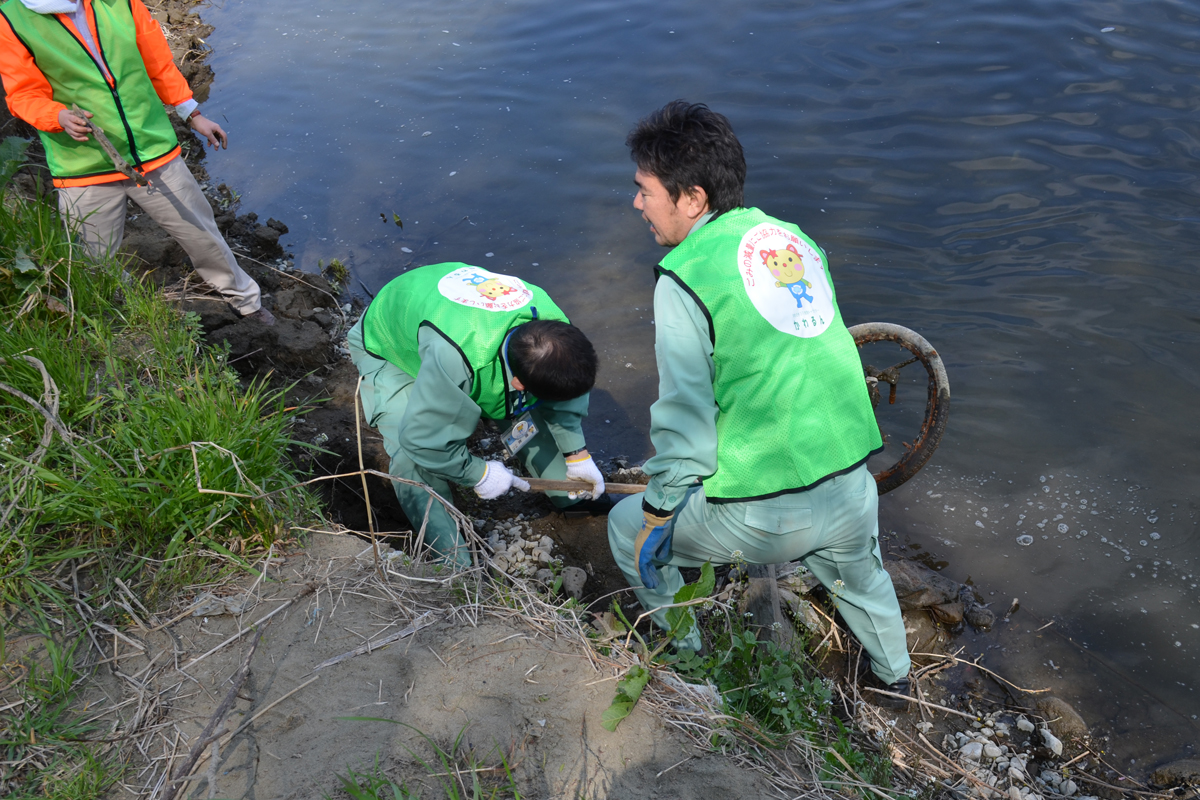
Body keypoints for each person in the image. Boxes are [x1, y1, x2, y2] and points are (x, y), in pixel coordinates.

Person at [607, 100, 912, 703]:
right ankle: (897, 683)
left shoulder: (682, 277)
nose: (636, 203)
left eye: (645, 191)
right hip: (854, 485)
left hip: (766, 517)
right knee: (862, 576)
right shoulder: (790, 238)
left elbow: (687, 423)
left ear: (691, 198)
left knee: (626, 529)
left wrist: (660, 509)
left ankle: (686, 667)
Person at [0, 0, 273, 324]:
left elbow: (157, 61)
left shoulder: (120, 3)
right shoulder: (10, 17)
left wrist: (192, 113)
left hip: (151, 150)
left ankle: (247, 304)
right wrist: (56, 116)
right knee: (93, 263)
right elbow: (22, 94)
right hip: (82, 167)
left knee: (203, 235)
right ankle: (121, 326)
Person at [348, 263, 609, 567]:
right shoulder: (458, 359)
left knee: (533, 428)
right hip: (392, 347)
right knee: (412, 458)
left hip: (459, 332)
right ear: (518, 384)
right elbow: (421, 439)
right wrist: (478, 473)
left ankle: (571, 502)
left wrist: (576, 452)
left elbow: (565, 395)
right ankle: (454, 564)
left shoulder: (555, 332)